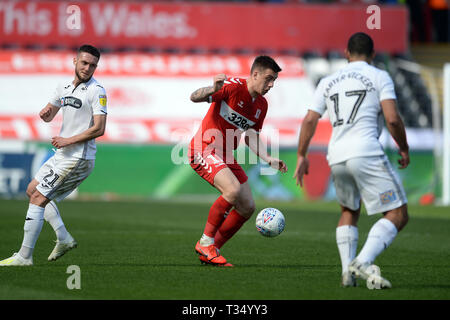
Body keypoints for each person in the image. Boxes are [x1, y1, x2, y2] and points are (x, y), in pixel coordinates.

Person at [293, 32, 409, 289]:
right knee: (398, 213)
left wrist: (301, 155)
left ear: (346, 53)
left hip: (336, 155)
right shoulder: (379, 76)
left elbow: (310, 119)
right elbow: (392, 118)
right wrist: (403, 147)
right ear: (373, 54)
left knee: (349, 211)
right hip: (365, 150)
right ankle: (363, 261)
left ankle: (348, 272)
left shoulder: (328, 81)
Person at [0, 44, 107, 266]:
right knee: (32, 190)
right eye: (84, 62)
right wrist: (46, 114)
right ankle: (63, 238)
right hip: (62, 154)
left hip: (78, 157)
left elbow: (99, 128)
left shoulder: (98, 91)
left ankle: (24, 256)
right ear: (75, 61)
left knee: (39, 198)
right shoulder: (63, 86)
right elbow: (50, 114)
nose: (88, 68)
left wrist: (68, 140)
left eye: (93, 65)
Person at [189, 56, 288, 267]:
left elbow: (251, 136)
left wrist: (268, 158)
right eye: (268, 79)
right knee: (232, 191)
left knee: (247, 206)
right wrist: (212, 88)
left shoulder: (261, 105)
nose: (271, 85)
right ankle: (205, 243)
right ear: (255, 74)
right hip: (204, 148)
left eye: (274, 81)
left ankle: (212, 249)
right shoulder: (233, 87)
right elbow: (194, 97)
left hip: (225, 155)